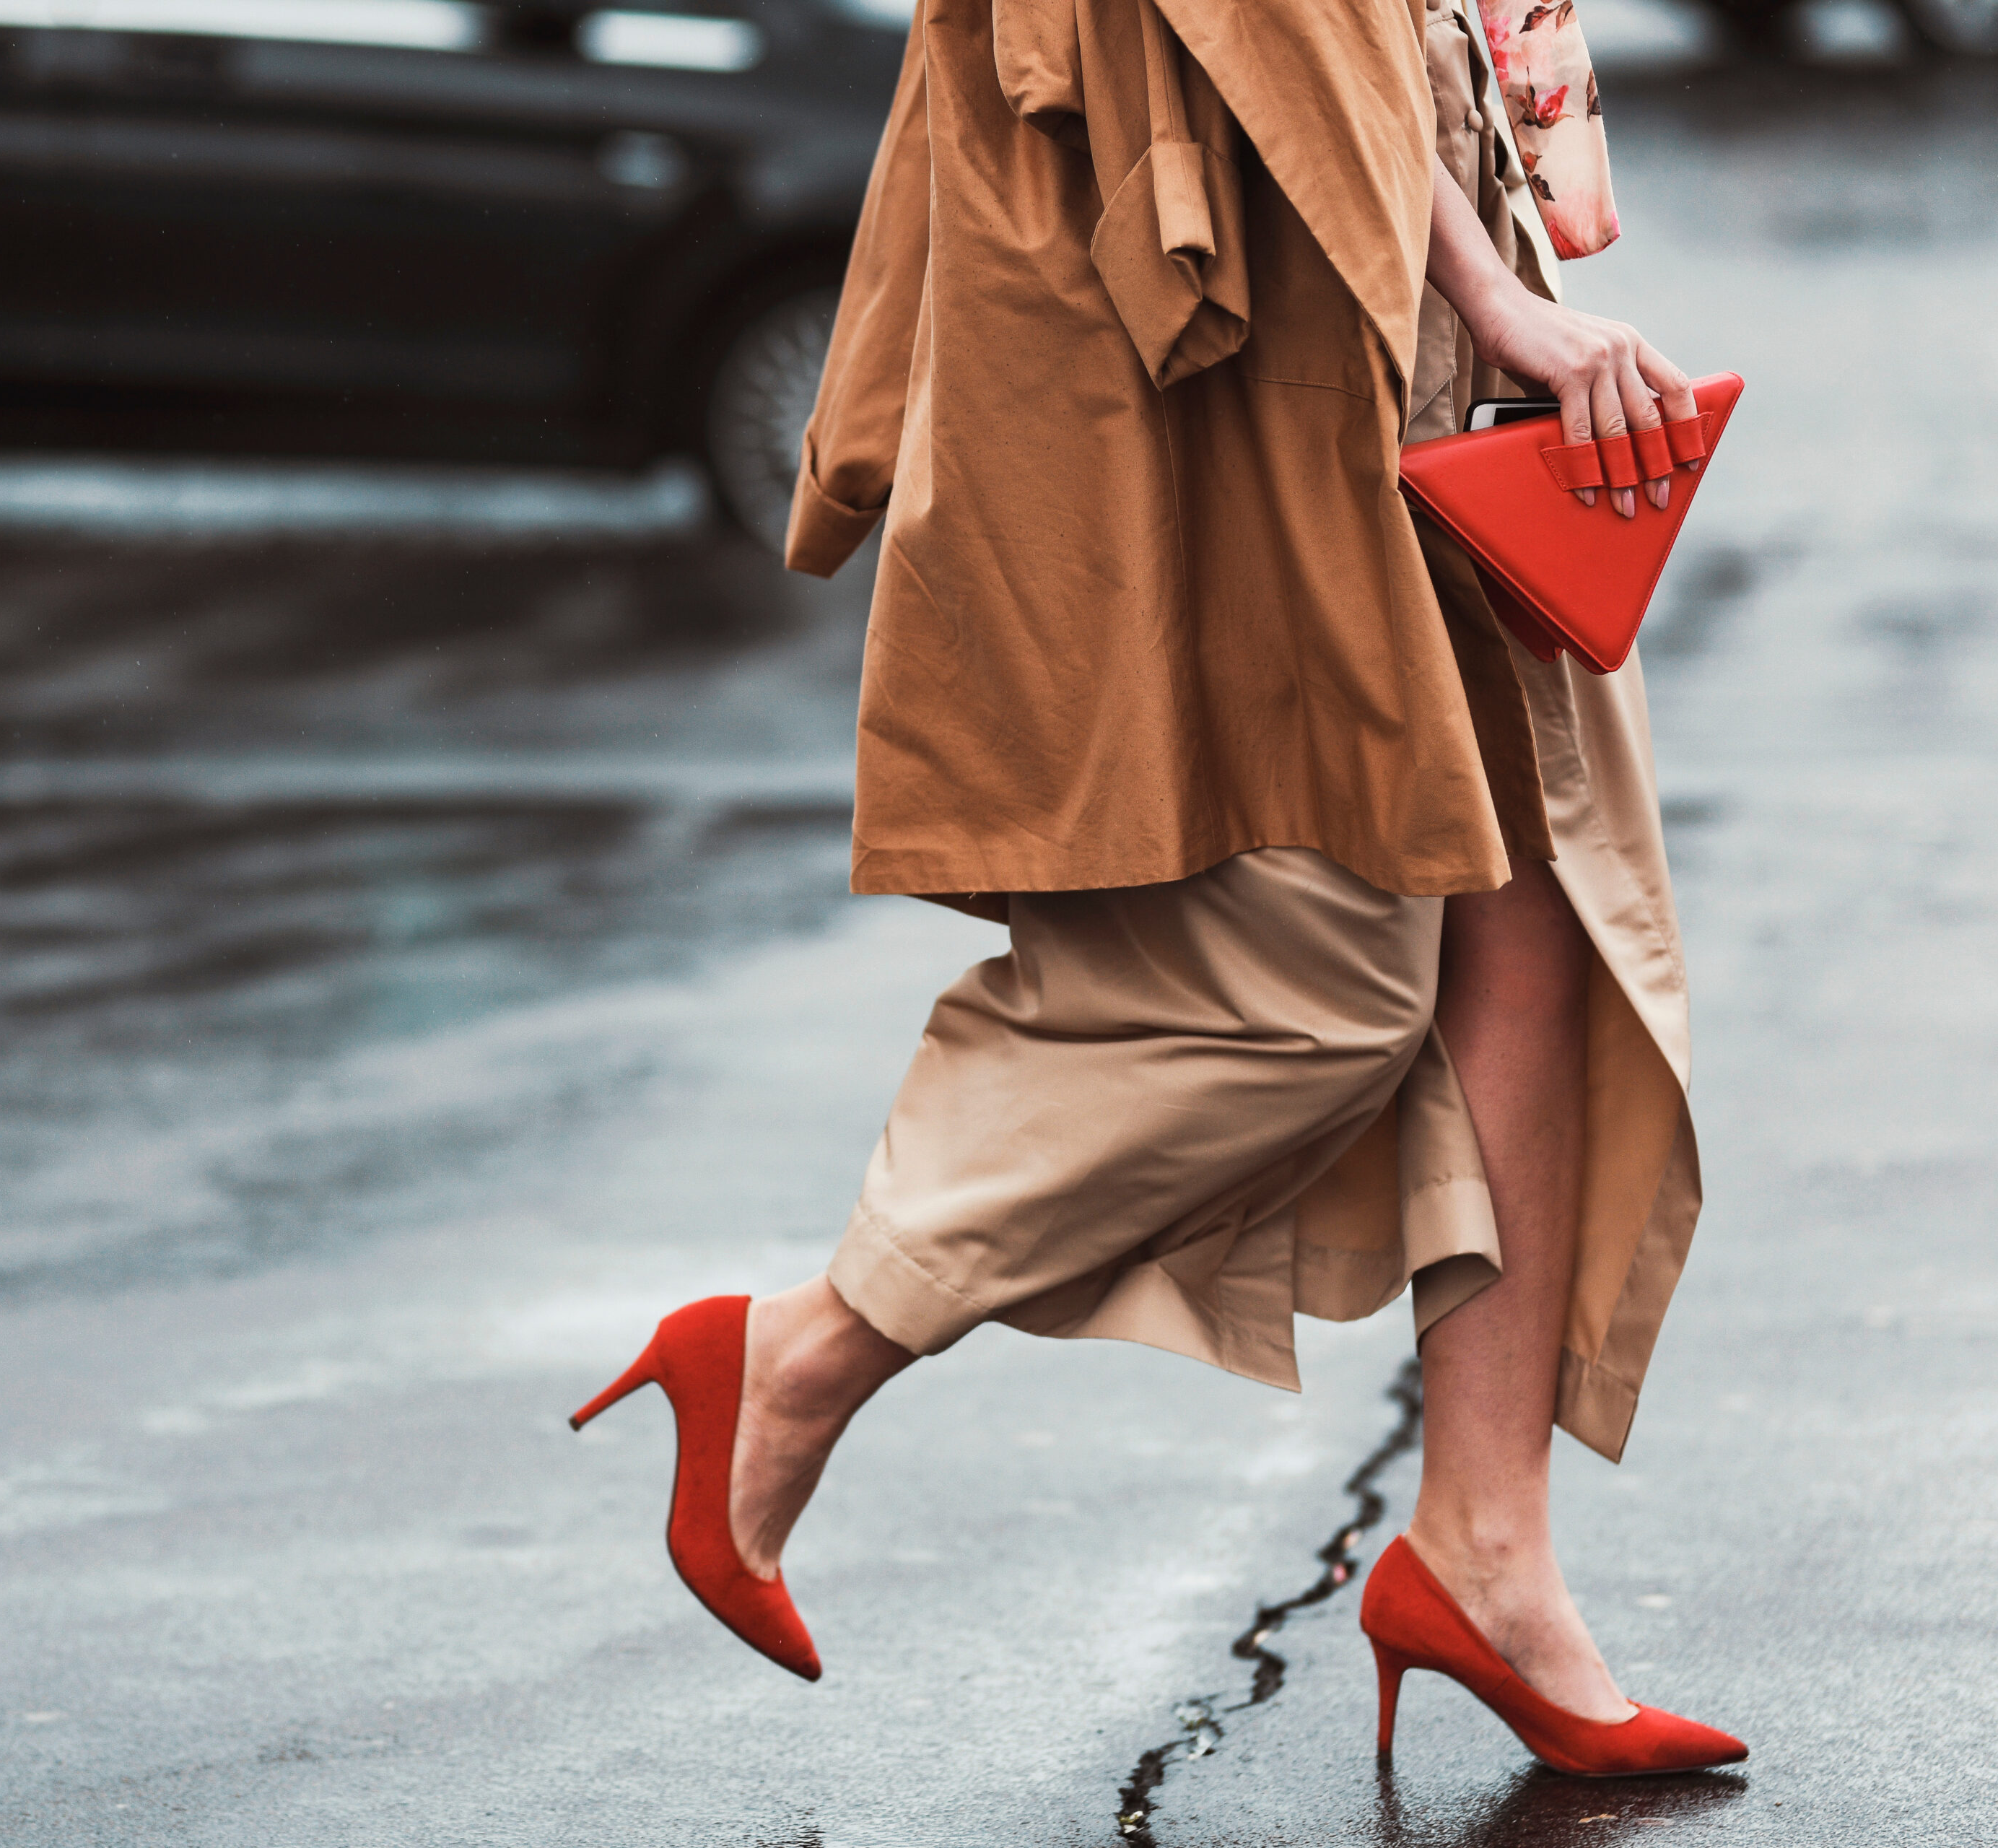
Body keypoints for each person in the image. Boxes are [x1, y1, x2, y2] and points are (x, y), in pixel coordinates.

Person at [572, 0, 1748, 1781]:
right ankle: (807, 1347)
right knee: (1320, 975)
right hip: (1272, 263)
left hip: (1381, 211)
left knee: (1536, 902)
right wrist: (1489, 296)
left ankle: (1488, 1556)